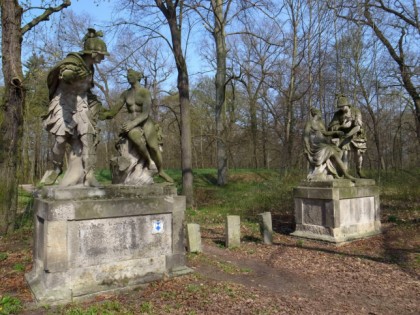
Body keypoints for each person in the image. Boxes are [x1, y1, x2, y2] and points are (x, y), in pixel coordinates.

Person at [42, 28, 109, 186]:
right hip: (63, 102)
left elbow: (86, 90)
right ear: (92, 53)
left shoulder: (90, 68)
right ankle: (56, 168)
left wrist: (99, 106)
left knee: (88, 137)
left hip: (81, 102)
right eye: (101, 55)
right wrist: (70, 75)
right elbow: (65, 73)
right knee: (60, 140)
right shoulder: (73, 60)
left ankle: (90, 174)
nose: (103, 58)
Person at [100, 69, 173, 183]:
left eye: (131, 75)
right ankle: (149, 161)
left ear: (138, 77)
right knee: (136, 138)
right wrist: (101, 113)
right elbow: (113, 111)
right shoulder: (125, 94)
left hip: (145, 122)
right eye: (128, 75)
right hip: (132, 124)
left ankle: (161, 171)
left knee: (153, 147)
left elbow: (145, 113)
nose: (129, 76)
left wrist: (132, 123)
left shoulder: (145, 92)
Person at [304, 107, 356, 181]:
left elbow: (326, 133)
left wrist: (336, 132)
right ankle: (346, 174)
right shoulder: (310, 123)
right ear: (315, 114)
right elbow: (305, 136)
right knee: (331, 150)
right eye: (319, 114)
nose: (320, 115)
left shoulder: (321, 123)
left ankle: (335, 172)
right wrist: (307, 146)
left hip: (323, 144)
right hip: (315, 146)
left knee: (338, 150)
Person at [328, 95, 367, 178]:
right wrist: (341, 126)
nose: (341, 108)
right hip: (344, 136)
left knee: (358, 155)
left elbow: (358, 126)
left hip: (356, 135)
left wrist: (349, 131)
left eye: (343, 106)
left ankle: (359, 170)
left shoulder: (356, 111)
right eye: (340, 107)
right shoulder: (338, 114)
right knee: (344, 153)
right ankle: (344, 173)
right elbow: (331, 127)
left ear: (347, 105)